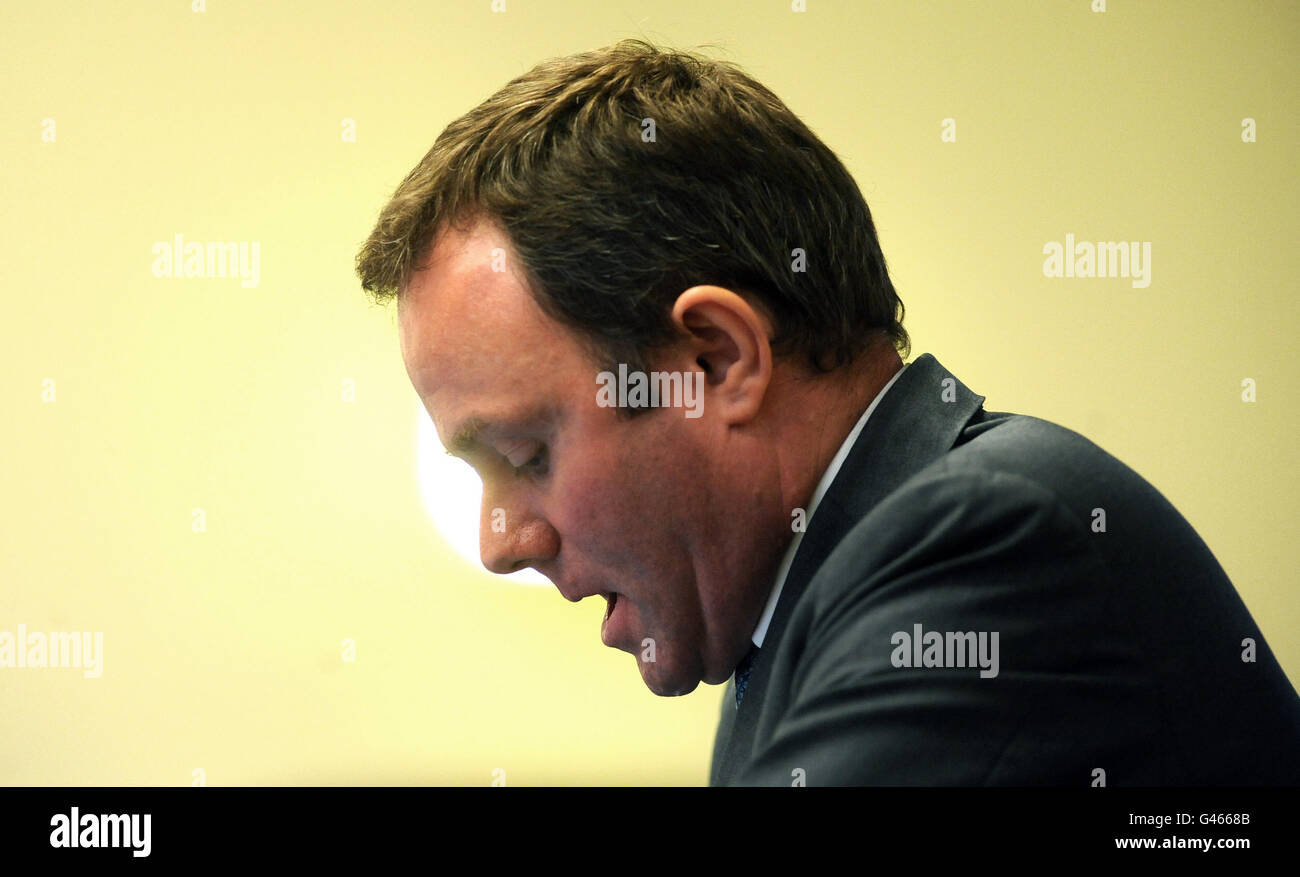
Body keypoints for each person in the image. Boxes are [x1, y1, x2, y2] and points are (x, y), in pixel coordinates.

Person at [355, 39, 1300, 785]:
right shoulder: (790, 627)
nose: (499, 541)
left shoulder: (989, 539)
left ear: (716, 358)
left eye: (523, 453)